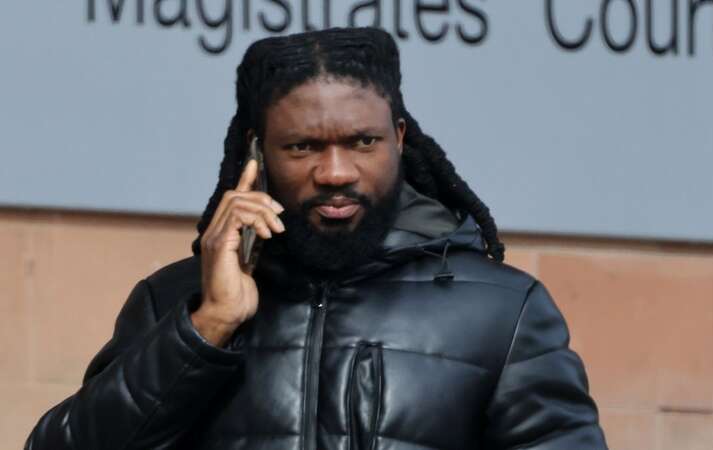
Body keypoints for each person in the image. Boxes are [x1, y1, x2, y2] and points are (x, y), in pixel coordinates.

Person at [26, 27, 607, 449]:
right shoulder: (173, 302)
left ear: (399, 139)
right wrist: (209, 327)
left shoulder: (504, 311)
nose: (335, 172)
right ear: (258, 151)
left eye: (361, 142)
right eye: (303, 146)